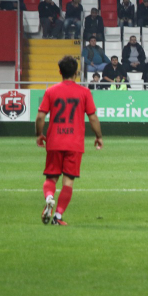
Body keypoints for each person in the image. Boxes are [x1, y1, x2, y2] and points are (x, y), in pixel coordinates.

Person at [36, 56, 103, 226]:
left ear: (60, 72)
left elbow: (40, 116)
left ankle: (49, 197)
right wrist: (98, 136)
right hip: (74, 143)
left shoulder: (51, 91)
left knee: (51, 178)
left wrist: (39, 134)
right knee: (68, 181)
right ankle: (58, 216)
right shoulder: (84, 92)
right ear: (76, 72)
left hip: (54, 141)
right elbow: (93, 118)